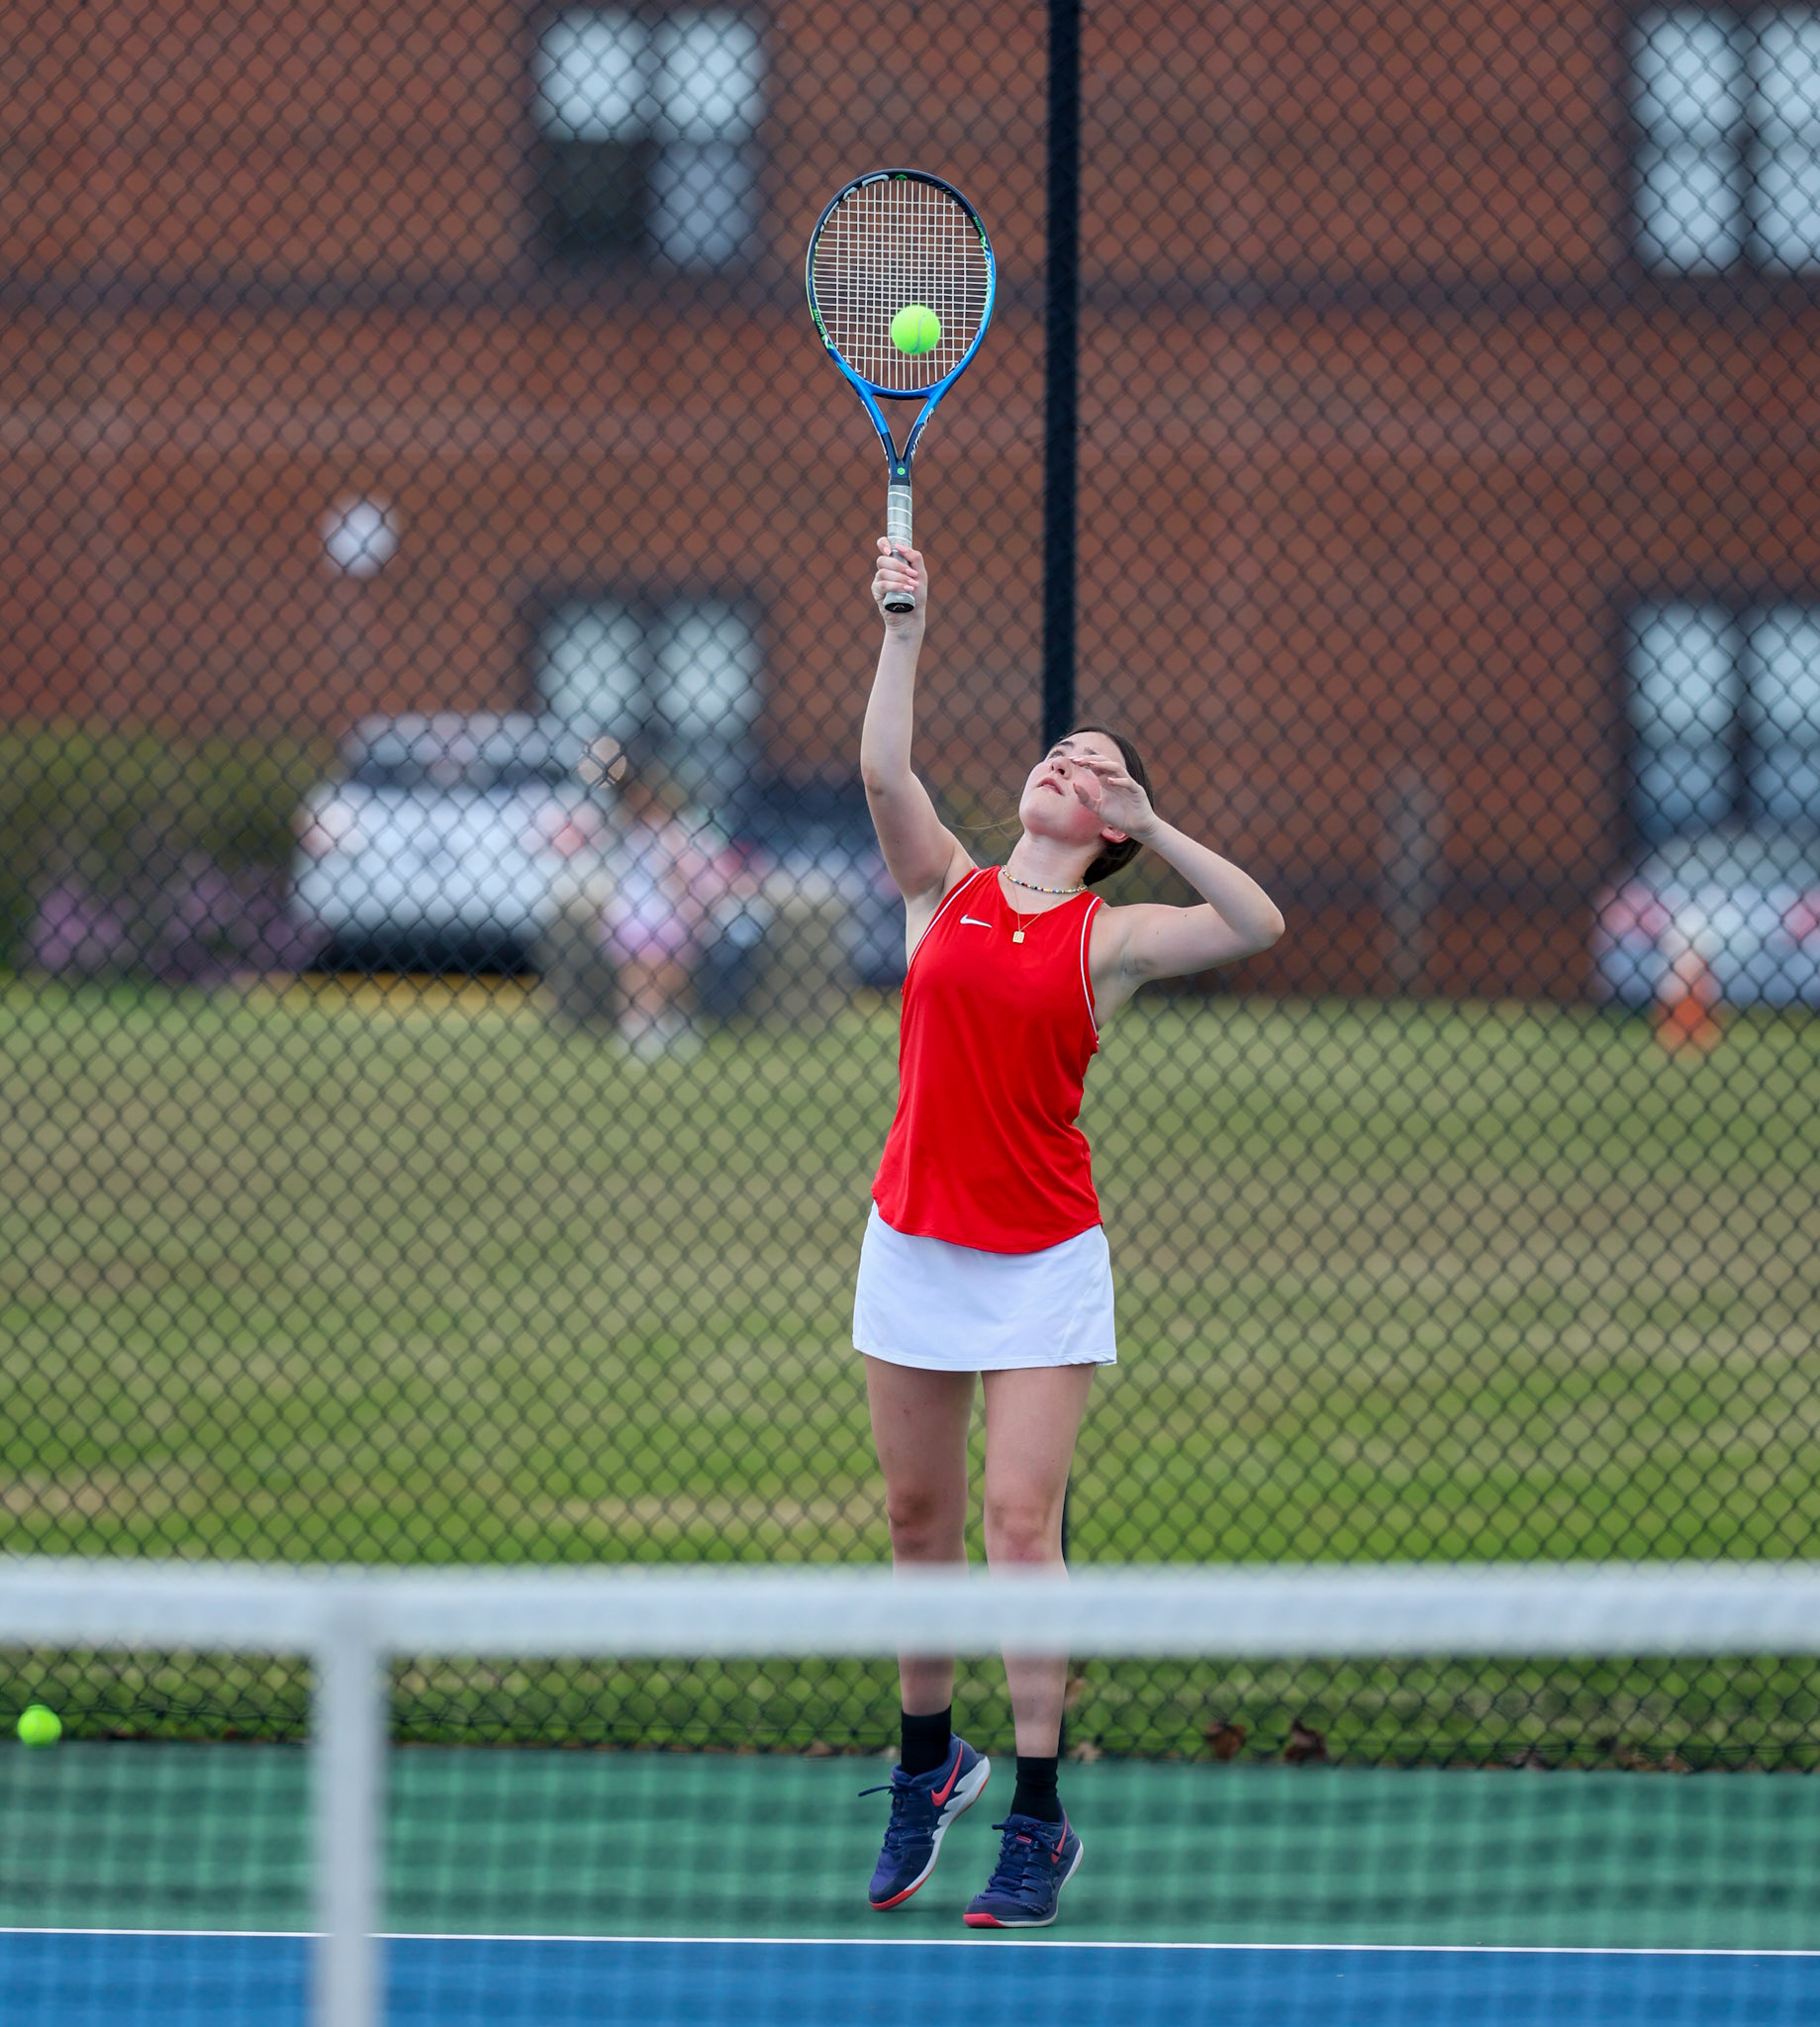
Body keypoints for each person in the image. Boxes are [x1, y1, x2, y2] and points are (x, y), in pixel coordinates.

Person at [855, 536, 1285, 1929]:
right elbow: (881, 774)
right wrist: (904, 631)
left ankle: (1036, 1818)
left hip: (1042, 1261)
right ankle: (932, 1766)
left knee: (1016, 1525)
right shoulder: (947, 890)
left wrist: (1154, 826)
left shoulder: (1112, 938)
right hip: (913, 1242)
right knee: (917, 1522)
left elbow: (1258, 922)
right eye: (1057, 751)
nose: (1064, 762)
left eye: (1091, 764)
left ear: (1106, 818)